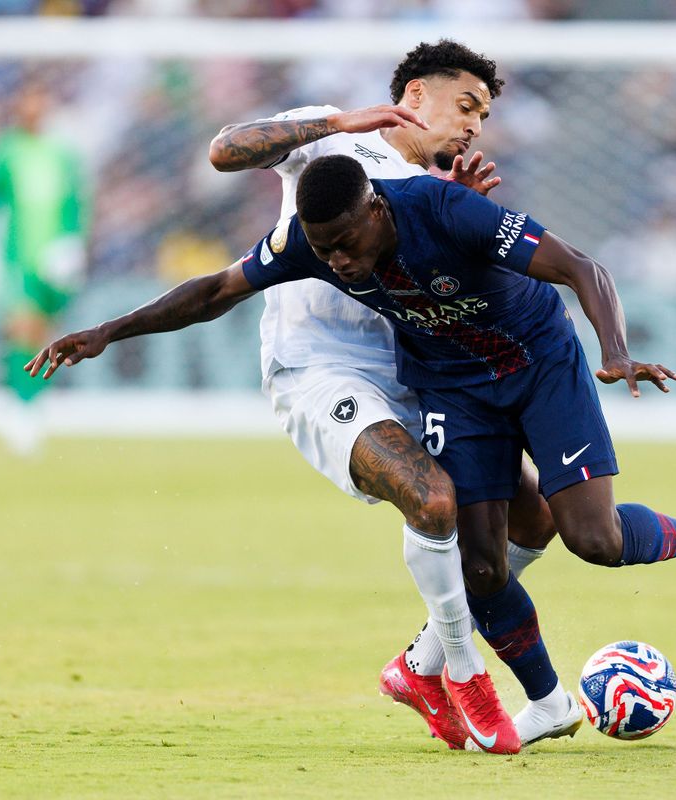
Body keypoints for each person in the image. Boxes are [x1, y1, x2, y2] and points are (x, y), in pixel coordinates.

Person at [27, 155, 676, 750]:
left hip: (540, 363)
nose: (341, 262)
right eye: (326, 251)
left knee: (591, 539)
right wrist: (107, 332)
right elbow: (215, 290)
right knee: (481, 567)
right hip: (455, 388)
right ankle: (547, 703)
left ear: (378, 210)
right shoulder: (311, 245)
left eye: (349, 243)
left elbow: (586, 268)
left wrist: (613, 351)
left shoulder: (446, 210)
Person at [207, 41, 572, 746]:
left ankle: (420, 664)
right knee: (432, 498)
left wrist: (462, 213)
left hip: (410, 373)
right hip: (319, 370)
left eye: (484, 115)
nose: (474, 125)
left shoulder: (432, 188)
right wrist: (340, 123)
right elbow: (226, 150)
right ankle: (464, 669)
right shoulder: (331, 137)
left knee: (533, 521)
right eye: (465, 105)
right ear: (413, 96)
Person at [0, 77, 87, 456]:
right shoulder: (5, 152)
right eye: (28, 100)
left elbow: (76, 203)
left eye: (41, 99)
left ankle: (34, 406)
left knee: (45, 334)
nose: (35, 107)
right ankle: (20, 408)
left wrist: (74, 245)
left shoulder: (63, 153)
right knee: (20, 329)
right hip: (18, 259)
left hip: (55, 260)